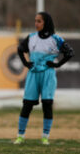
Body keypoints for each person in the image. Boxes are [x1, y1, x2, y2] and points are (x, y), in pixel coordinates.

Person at [13, 12, 74, 145]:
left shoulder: (56, 39)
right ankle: (20, 136)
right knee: (27, 105)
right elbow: (19, 49)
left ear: (46, 22)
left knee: (47, 104)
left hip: (48, 75)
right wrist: (25, 63)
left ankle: (45, 136)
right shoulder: (31, 37)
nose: (36, 24)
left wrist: (57, 64)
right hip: (33, 74)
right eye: (35, 21)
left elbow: (70, 52)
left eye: (39, 21)